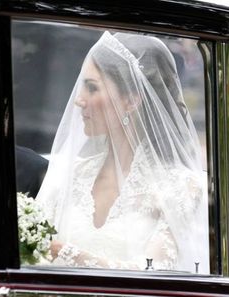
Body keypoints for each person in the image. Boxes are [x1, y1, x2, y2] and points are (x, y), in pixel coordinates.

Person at [36, 31, 209, 273]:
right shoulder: (71, 174)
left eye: (92, 88)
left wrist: (65, 253)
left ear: (132, 100)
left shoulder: (180, 187)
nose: (79, 100)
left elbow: (156, 273)